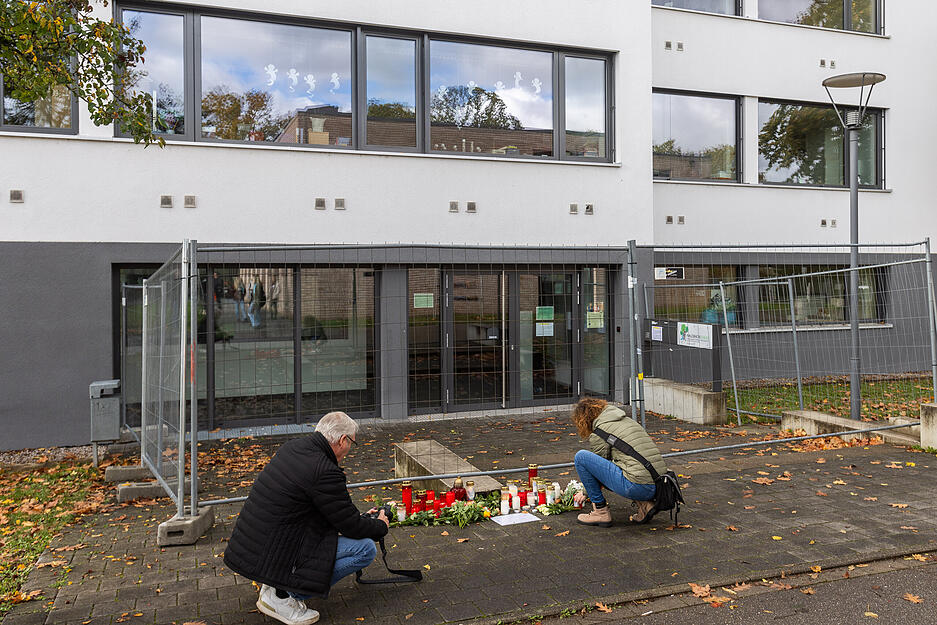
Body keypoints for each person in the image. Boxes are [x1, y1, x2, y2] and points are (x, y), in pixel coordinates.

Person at [224, 411, 388, 625]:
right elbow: (350, 526)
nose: (349, 451)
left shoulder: (293, 447)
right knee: (365, 549)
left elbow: (328, 510)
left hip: (254, 549)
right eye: (352, 444)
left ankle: (273, 584)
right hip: (277, 550)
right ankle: (286, 595)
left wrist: (363, 518)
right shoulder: (324, 470)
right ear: (342, 441)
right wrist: (380, 526)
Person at [570, 397, 668, 527]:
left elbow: (596, 470)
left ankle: (600, 512)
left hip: (639, 486)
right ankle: (646, 505)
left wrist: (584, 492)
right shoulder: (625, 420)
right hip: (659, 485)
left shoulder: (600, 431)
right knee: (628, 465)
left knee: (581, 458)